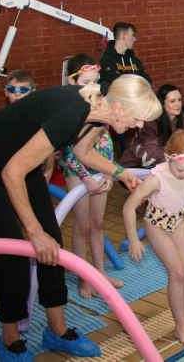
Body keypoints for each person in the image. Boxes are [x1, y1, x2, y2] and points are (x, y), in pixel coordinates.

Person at [0, 75, 160, 361]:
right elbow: (11, 173)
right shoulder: (71, 113)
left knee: (53, 242)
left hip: (18, 161)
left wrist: (120, 172)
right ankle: (11, 340)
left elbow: (82, 151)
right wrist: (33, 232)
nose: (139, 126)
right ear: (118, 108)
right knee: (14, 251)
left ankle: (57, 330)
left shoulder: (99, 112)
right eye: (137, 119)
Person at [123, 129, 184, 346]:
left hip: (177, 220)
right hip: (156, 225)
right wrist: (133, 239)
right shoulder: (156, 179)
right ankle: (179, 326)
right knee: (177, 272)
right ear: (167, 158)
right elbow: (129, 207)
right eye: (181, 170)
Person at [56, 54, 123, 298]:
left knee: (98, 224)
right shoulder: (69, 109)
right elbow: (69, 150)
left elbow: (107, 141)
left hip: (100, 169)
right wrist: (85, 178)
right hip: (78, 173)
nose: (92, 87)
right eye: (86, 83)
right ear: (72, 82)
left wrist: (109, 171)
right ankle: (85, 278)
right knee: (82, 227)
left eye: (95, 82)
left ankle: (100, 272)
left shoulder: (100, 103)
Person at [120, 84, 184, 168]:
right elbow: (151, 151)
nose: (178, 104)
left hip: (163, 161)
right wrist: (175, 158)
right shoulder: (152, 120)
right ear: (162, 103)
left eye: (179, 100)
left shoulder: (181, 116)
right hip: (136, 165)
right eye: (172, 101)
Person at [99, 22, 151, 94]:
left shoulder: (134, 60)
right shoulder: (106, 61)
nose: (135, 39)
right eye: (132, 35)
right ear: (123, 36)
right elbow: (111, 87)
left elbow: (147, 81)